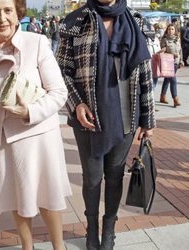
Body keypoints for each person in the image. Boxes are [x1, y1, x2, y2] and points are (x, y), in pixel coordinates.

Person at [0, 0, 72, 250]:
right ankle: (27, 246)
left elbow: (58, 92)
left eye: (7, 11)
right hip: (1, 138)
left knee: (47, 198)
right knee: (17, 199)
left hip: (38, 135)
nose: (2, 18)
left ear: (18, 13)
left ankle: (59, 247)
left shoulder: (37, 44)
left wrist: (30, 111)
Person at [56, 0, 155, 249]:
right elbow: (62, 70)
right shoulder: (75, 21)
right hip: (87, 118)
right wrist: (76, 103)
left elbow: (145, 71)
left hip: (126, 118)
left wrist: (148, 118)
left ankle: (109, 229)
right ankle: (92, 230)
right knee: (91, 178)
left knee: (115, 176)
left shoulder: (137, 21)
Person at [159, 24, 183, 107]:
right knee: (173, 80)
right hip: (168, 63)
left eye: (172, 29)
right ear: (167, 30)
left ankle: (162, 96)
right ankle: (175, 99)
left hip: (176, 62)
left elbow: (180, 50)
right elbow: (162, 52)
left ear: (175, 30)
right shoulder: (164, 40)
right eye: (169, 29)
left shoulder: (177, 39)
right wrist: (172, 54)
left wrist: (181, 61)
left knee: (167, 79)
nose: (171, 31)